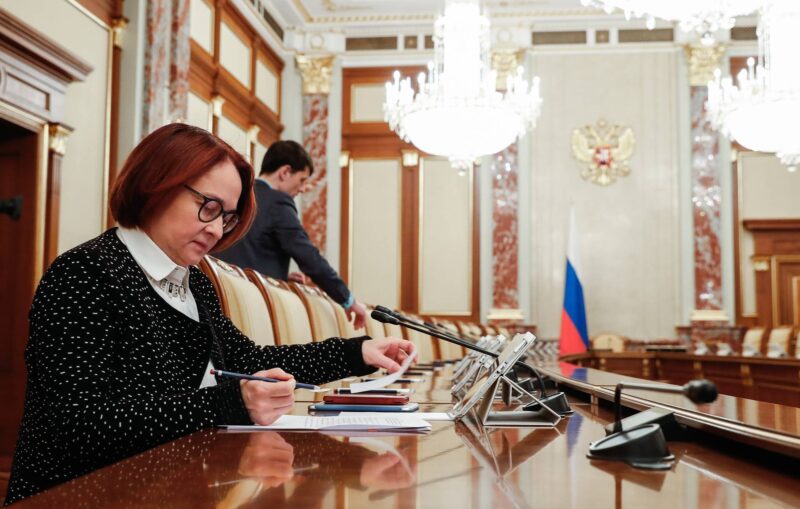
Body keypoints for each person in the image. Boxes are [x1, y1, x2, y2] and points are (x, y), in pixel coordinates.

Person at [4, 124, 414, 506]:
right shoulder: (85, 273)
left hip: (168, 487)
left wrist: (357, 353)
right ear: (156, 184)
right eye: (209, 207)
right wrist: (230, 403)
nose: (218, 230)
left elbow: (249, 362)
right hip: (81, 496)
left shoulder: (193, 283)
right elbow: (78, 427)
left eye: (227, 217)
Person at [216, 140, 368, 329]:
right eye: (302, 180)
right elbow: (309, 257)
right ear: (285, 172)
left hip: (217, 296)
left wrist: (280, 278)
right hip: (251, 311)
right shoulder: (278, 202)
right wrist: (348, 299)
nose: (303, 188)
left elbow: (244, 253)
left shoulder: (239, 191)